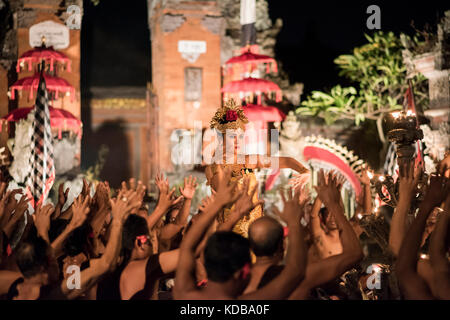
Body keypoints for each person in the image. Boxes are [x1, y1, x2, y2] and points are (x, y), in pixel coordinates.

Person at [174, 165, 307, 300]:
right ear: (243, 272)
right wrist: (295, 223)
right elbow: (295, 271)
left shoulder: (185, 294)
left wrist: (218, 207)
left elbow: (187, 247)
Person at [205, 99, 308, 238]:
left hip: (255, 229)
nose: (237, 141)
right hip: (230, 231)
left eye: (240, 136)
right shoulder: (213, 168)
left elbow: (286, 161)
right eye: (232, 137)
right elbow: (224, 194)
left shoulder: (249, 161)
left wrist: (304, 171)